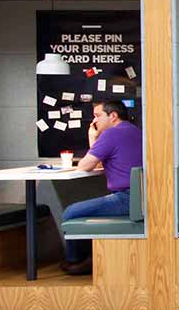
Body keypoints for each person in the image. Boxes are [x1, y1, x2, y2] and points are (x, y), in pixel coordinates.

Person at [59, 99, 143, 275]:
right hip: (141, 196)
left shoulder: (111, 134)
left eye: (98, 116)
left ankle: (77, 261)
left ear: (113, 116)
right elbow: (98, 163)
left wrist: (93, 137)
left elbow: (85, 166)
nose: (94, 121)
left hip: (126, 198)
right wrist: (94, 138)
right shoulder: (135, 131)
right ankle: (88, 258)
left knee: (71, 212)